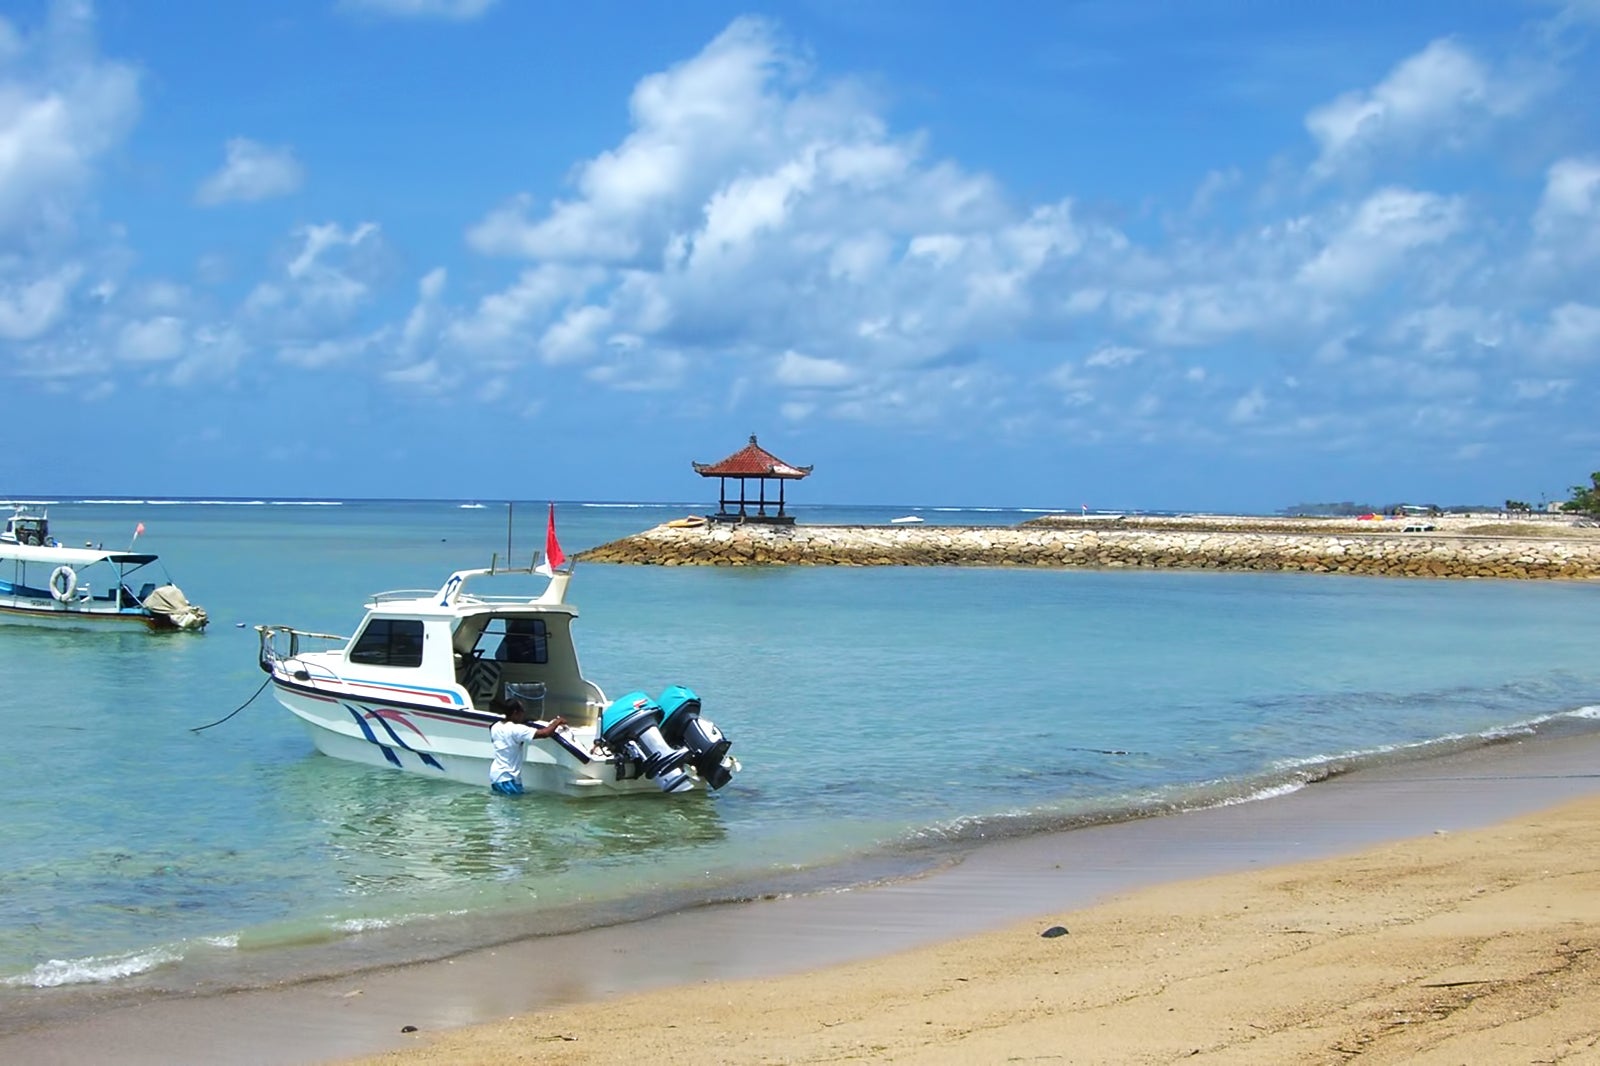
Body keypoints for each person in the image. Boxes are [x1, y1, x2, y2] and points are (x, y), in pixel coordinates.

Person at [488, 697, 567, 795]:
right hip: (507, 777)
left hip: (495, 776)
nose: (523, 714)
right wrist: (557, 722)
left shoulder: (496, 726)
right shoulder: (516, 729)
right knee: (512, 807)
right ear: (515, 712)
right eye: (522, 711)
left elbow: (495, 731)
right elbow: (545, 733)